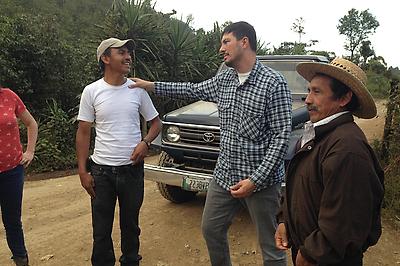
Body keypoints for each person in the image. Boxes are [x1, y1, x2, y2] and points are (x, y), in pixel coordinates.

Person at [131, 21, 291, 266]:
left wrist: (255, 180)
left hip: (260, 182)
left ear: (244, 42)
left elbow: (281, 137)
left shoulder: (273, 83)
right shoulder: (224, 79)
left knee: (270, 246)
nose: (220, 48)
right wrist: (150, 86)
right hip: (224, 175)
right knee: (211, 229)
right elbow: (192, 90)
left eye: (226, 41)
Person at [275, 58, 384, 266]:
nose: (307, 99)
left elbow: (346, 219)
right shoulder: (316, 134)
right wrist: (284, 221)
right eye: (308, 90)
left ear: (344, 98)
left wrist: (312, 253)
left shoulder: (348, 149)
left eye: (317, 92)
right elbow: (299, 186)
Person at [76, 38, 161, 266]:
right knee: (101, 230)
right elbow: (83, 132)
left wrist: (145, 143)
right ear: (105, 58)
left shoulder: (137, 89)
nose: (128, 57)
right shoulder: (91, 91)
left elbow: (156, 123)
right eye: (121, 52)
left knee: (130, 226)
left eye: (128, 52)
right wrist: (83, 172)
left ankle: (130, 261)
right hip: (101, 172)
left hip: (132, 171)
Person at [0, 85, 38, 266]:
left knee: (12, 221)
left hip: (12, 171)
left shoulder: (8, 96)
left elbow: (31, 123)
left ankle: (21, 260)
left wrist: (30, 151)